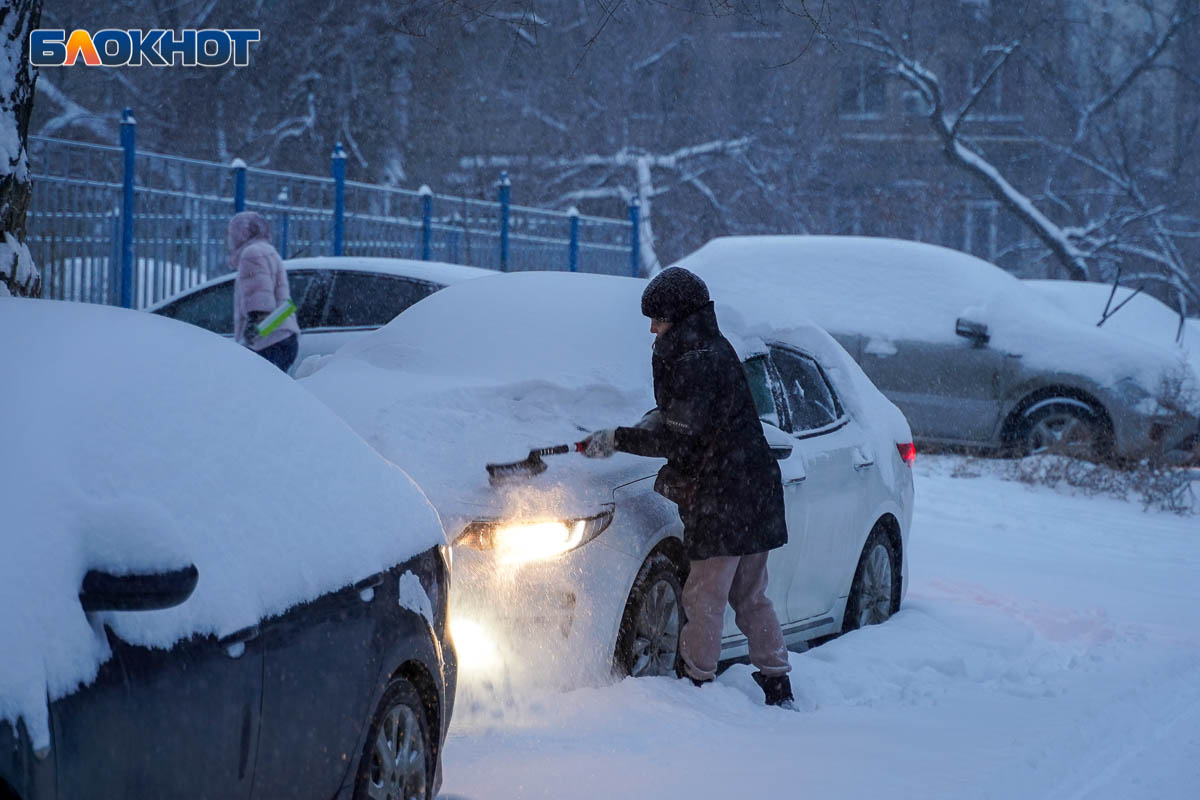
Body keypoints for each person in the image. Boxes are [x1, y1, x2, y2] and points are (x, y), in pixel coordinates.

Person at [581, 267, 795, 708]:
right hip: (753, 487)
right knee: (751, 594)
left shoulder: (693, 361)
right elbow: (695, 416)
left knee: (704, 595)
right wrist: (652, 420)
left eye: (658, 319)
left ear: (677, 316)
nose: (653, 328)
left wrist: (619, 438)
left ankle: (695, 687)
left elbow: (681, 435)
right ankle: (777, 684)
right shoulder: (713, 348)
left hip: (724, 494)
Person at [228, 211, 300, 373]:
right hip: (284, 335)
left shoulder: (251, 253)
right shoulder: (268, 250)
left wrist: (252, 328)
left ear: (243, 233)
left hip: (267, 340)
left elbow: (259, 298)